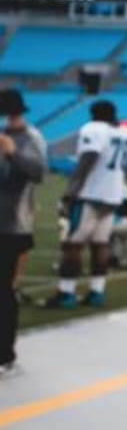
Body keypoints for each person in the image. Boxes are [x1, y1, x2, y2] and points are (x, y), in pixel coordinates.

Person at [45, 99, 127, 310]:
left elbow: (88, 159)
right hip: (113, 196)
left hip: (90, 194)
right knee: (100, 243)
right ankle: (97, 291)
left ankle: (66, 292)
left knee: (72, 244)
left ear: (94, 114)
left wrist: (70, 192)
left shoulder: (93, 129)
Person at [0, 89, 47, 373]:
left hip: (12, 224)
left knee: (4, 290)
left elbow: (38, 172)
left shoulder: (31, 137)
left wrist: (12, 153)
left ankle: (5, 353)